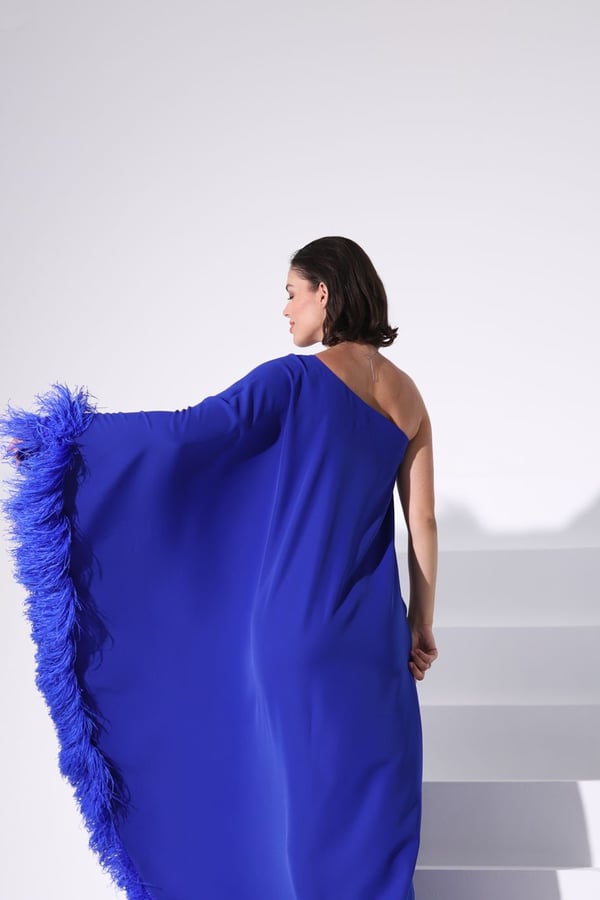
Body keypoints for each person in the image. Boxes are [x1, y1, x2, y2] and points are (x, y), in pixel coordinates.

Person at [1, 235, 438, 900]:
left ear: (324, 292)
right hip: (373, 636)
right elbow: (422, 522)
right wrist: (420, 623)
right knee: (375, 803)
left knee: (298, 808)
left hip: (295, 629)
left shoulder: (292, 381)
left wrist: (68, 443)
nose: (285, 309)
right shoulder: (409, 399)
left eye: (292, 293)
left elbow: (187, 433)